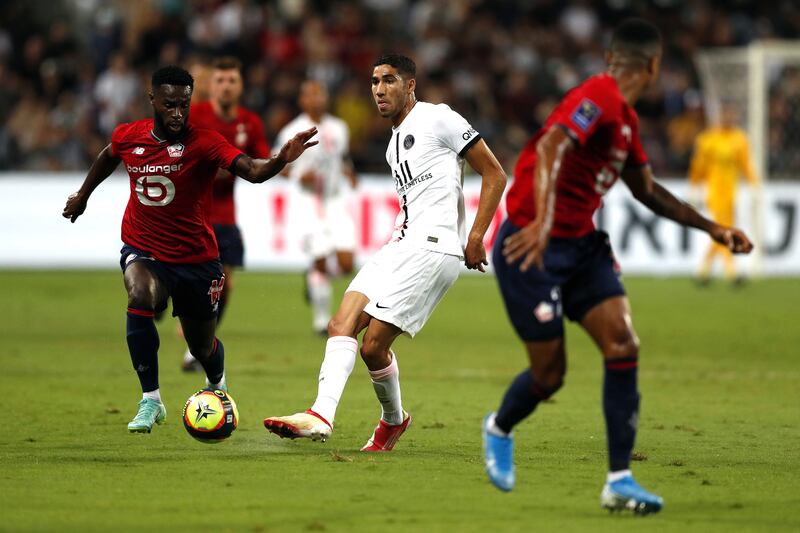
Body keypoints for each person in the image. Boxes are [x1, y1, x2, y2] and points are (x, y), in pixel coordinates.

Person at [481, 19, 753, 514]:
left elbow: (646, 191)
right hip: (528, 245)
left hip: (581, 247)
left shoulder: (625, 121)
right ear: (653, 65)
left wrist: (713, 228)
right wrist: (541, 223)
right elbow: (549, 147)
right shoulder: (598, 98)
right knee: (550, 375)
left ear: (612, 57)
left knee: (623, 342)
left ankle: (619, 480)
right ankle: (499, 426)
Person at [263, 54, 507, 451]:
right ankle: (321, 414)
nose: (379, 89)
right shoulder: (394, 142)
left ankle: (391, 421)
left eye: (389, 81)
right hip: (398, 244)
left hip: (434, 249)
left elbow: (495, 173)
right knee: (340, 325)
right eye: (375, 82)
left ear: (410, 86)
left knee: (373, 346)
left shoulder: (439, 118)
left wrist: (477, 235)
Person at [62, 65, 317, 434]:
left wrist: (281, 159)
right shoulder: (129, 136)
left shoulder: (205, 141)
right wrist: (82, 195)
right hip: (144, 246)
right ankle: (151, 399)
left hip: (196, 259)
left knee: (202, 346)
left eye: (183, 105)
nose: (178, 113)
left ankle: (218, 383)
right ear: (153, 101)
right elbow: (108, 154)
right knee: (139, 293)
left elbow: (252, 170)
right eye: (169, 105)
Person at [180, 56, 271, 371]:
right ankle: (189, 330)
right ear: (211, 85)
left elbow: (261, 163)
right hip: (191, 214)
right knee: (185, 282)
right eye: (220, 80)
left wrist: (280, 163)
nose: (226, 86)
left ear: (241, 85)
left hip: (226, 216)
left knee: (225, 284)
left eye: (232, 80)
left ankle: (199, 347)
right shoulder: (195, 116)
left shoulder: (250, 122)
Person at [275, 80, 357, 335]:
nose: (316, 99)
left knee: (346, 264)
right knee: (320, 257)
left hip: (334, 199)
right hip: (308, 203)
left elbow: (341, 158)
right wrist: (299, 175)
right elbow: (278, 167)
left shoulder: (340, 128)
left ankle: (313, 279)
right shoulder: (292, 130)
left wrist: (349, 172)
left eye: (320, 94)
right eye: (310, 95)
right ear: (302, 101)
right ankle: (321, 322)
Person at [689, 103, 759, 285]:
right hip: (714, 192)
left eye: (730, 114)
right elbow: (699, 166)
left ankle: (703, 270)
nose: (727, 118)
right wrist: (694, 187)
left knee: (722, 230)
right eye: (724, 114)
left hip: (731, 192)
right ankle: (731, 272)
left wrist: (754, 186)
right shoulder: (707, 139)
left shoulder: (739, 139)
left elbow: (746, 165)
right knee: (725, 228)